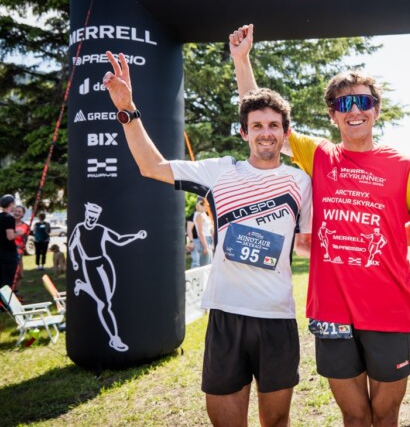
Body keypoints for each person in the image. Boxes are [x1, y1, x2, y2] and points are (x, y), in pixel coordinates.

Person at [230, 24, 410, 426]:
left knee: (385, 414)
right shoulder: (318, 154)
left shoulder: (402, 166)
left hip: (389, 309)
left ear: (376, 110)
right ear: (333, 115)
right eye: (343, 104)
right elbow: (261, 114)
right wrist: (242, 61)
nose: (354, 110)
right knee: (354, 416)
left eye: (363, 101)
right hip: (331, 311)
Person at [103, 50, 312, 426]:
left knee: (277, 422)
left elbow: (307, 243)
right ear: (245, 132)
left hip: (276, 318)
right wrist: (128, 110)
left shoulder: (301, 182)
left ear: (285, 132)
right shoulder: (220, 172)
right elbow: (151, 166)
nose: (266, 132)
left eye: (273, 125)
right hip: (225, 315)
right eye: (257, 125)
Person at [68, 201, 147, 352]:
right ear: (86, 214)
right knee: (104, 303)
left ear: (97, 217)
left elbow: (119, 240)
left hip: (105, 263)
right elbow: (71, 247)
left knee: (107, 298)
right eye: (90, 216)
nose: (91, 219)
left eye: (94, 217)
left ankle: (82, 285)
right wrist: (75, 262)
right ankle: (114, 338)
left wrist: (136, 236)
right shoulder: (79, 229)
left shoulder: (101, 229)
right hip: (90, 266)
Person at [0, 195, 18, 290]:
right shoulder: (9, 218)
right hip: (8, 253)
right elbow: (10, 236)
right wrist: (19, 233)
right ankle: (5, 299)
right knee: (7, 281)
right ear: (11, 204)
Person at [12, 205, 29, 296]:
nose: (17, 213)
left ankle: (15, 292)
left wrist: (23, 247)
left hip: (19, 252)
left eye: (19, 212)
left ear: (23, 214)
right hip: (9, 251)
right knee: (11, 274)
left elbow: (25, 239)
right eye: (15, 211)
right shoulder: (8, 224)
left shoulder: (25, 226)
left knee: (20, 275)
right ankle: (9, 293)